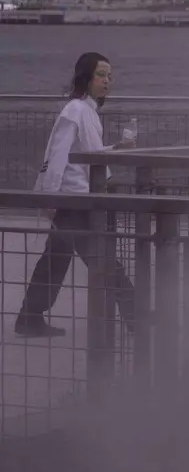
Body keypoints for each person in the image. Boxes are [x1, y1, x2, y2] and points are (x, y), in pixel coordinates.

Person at [16, 52, 138, 339]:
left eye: (109, 76)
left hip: (75, 201)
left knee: (55, 260)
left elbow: (85, 156)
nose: (107, 81)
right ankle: (137, 316)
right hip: (75, 202)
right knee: (105, 260)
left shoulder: (86, 111)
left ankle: (29, 317)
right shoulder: (76, 111)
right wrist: (49, 199)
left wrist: (115, 149)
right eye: (101, 74)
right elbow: (56, 156)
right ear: (85, 77)